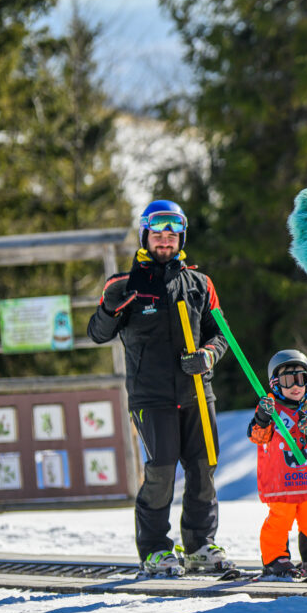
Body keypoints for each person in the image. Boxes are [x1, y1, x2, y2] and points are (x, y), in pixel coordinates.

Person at [87, 199, 232, 576]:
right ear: (145, 236)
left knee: (203, 470)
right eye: (157, 234)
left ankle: (199, 545)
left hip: (198, 391)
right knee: (162, 471)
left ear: (181, 237)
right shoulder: (126, 284)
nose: (164, 241)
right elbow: (98, 334)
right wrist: (108, 308)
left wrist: (208, 356)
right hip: (151, 397)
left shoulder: (200, 283)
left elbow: (221, 336)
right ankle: (154, 549)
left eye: (172, 234)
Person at [247, 349, 307, 578]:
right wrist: (263, 418)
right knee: (280, 520)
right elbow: (257, 436)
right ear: (275, 384)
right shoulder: (270, 409)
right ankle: (276, 559)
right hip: (281, 482)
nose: (296, 386)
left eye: (301, 379)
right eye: (288, 380)